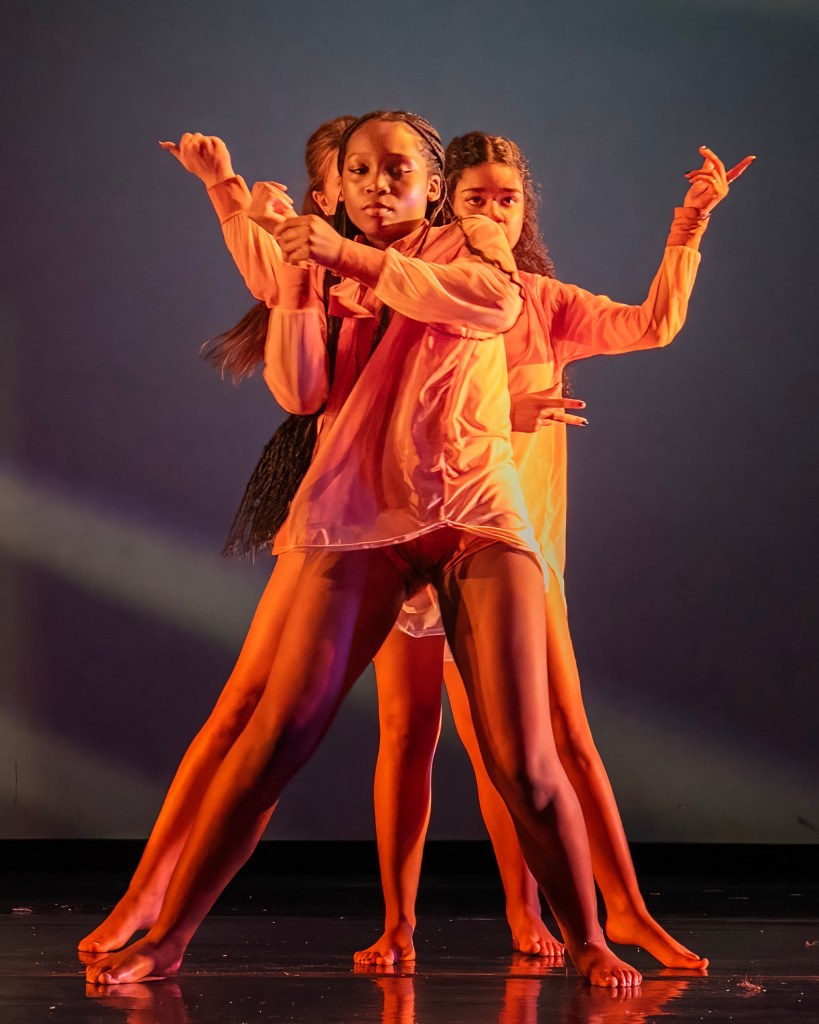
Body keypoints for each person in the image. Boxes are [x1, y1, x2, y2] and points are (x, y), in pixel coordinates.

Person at [85, 109, 644, 988]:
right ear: (335, 187)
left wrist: (346, 256)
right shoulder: (323, 272)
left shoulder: (466, 245)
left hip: (472, 517)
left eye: (397, 171)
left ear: (432, 185)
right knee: (275, 733)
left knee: (521, 758)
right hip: (359, 518)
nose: (377, 186)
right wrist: (288, 267)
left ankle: (589, 939)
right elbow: (299, 389)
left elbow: (492, 305)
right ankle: (166, 937)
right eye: (358, 172)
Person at [354, 132, 752, 969]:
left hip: (509, 550)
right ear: (446, 206)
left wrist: (688, 228)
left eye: (507, 199)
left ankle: (603, 912)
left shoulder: (543, 303)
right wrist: (502, 414)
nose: (493, 212)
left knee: (545, 740)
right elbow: (384, 419)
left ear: (523, 209)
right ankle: (397, 923)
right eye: (475, 199)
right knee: (408, 733)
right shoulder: (417, 291)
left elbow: (651, 326)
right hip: (416, 541)